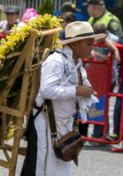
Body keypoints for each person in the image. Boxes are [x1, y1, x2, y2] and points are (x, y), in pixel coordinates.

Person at [21, 21, 101, 175]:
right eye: (89, 43)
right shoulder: (56, 61)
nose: (93, 47)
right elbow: (47, 90)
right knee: (42, 168)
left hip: (63, 126)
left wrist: (86, 93)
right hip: (45, 124)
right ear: (76, 44)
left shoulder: (76, 63)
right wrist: (77, 90)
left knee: (60, 169)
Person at [85, 0, 123, 139]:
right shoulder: (92, 20)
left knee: (102, 101)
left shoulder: (112, 21)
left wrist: (112, 50)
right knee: (94, 101)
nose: (88, 10)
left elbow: (117, 41)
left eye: (89, 7)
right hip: (94, 69)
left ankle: (99, 133)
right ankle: (95, 132)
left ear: (93, 7)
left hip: (107, 71)